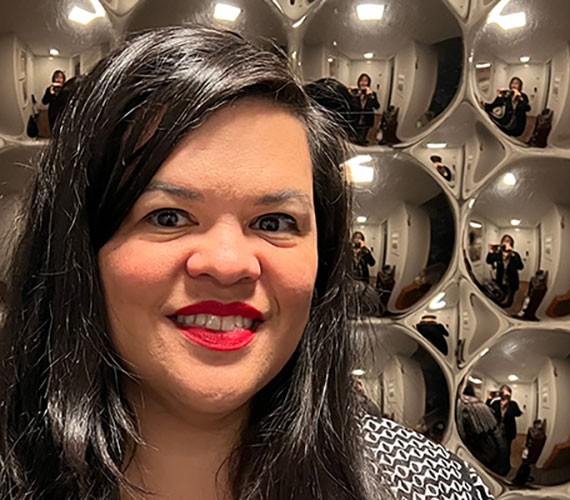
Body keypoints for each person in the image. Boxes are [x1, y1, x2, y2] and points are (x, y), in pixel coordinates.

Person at [0, 27, 492, 499]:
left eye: (275, 222)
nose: (230, 264)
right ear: (80, 249)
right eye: (169, 217)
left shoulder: (425, 484)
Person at [486, 385, 523, 476]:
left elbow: (518, 413)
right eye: (502, 392)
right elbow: (486, 410)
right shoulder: (495, 403)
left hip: (508, 432)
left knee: (506, 450)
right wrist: (489, 399)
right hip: (496, 431)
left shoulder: (513, 404)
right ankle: (495, 467)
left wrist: (508, 403)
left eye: (507, 393)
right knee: (496, 449)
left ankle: (505, 468)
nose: (505, 395)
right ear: (500, 393)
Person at [486, 234, 524, 308]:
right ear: (501, 243)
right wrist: (491, 251)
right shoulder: (498, 254)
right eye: (504, 240)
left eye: (508, 241)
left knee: (509, 302)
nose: (506, 242)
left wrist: (512, 253)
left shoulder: (515, 255)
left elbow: (520, 267)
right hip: (500, 281)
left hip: (511, 282)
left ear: (511, 244)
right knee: (500, 297)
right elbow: (488, 261)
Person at [348, 73, 380, 144]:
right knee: (356, 132)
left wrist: (371, 96)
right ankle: (359, 142)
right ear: (359, 82)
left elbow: (377, 106)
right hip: (356, 117)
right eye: (361, 80)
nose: (363, 83)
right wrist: (349, 93)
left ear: (368, 83)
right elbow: (349, 104)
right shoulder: (355, 92)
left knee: (365, 131)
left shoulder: (372, 94)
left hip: (367, 117)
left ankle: (362, 141)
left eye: (366, 81)